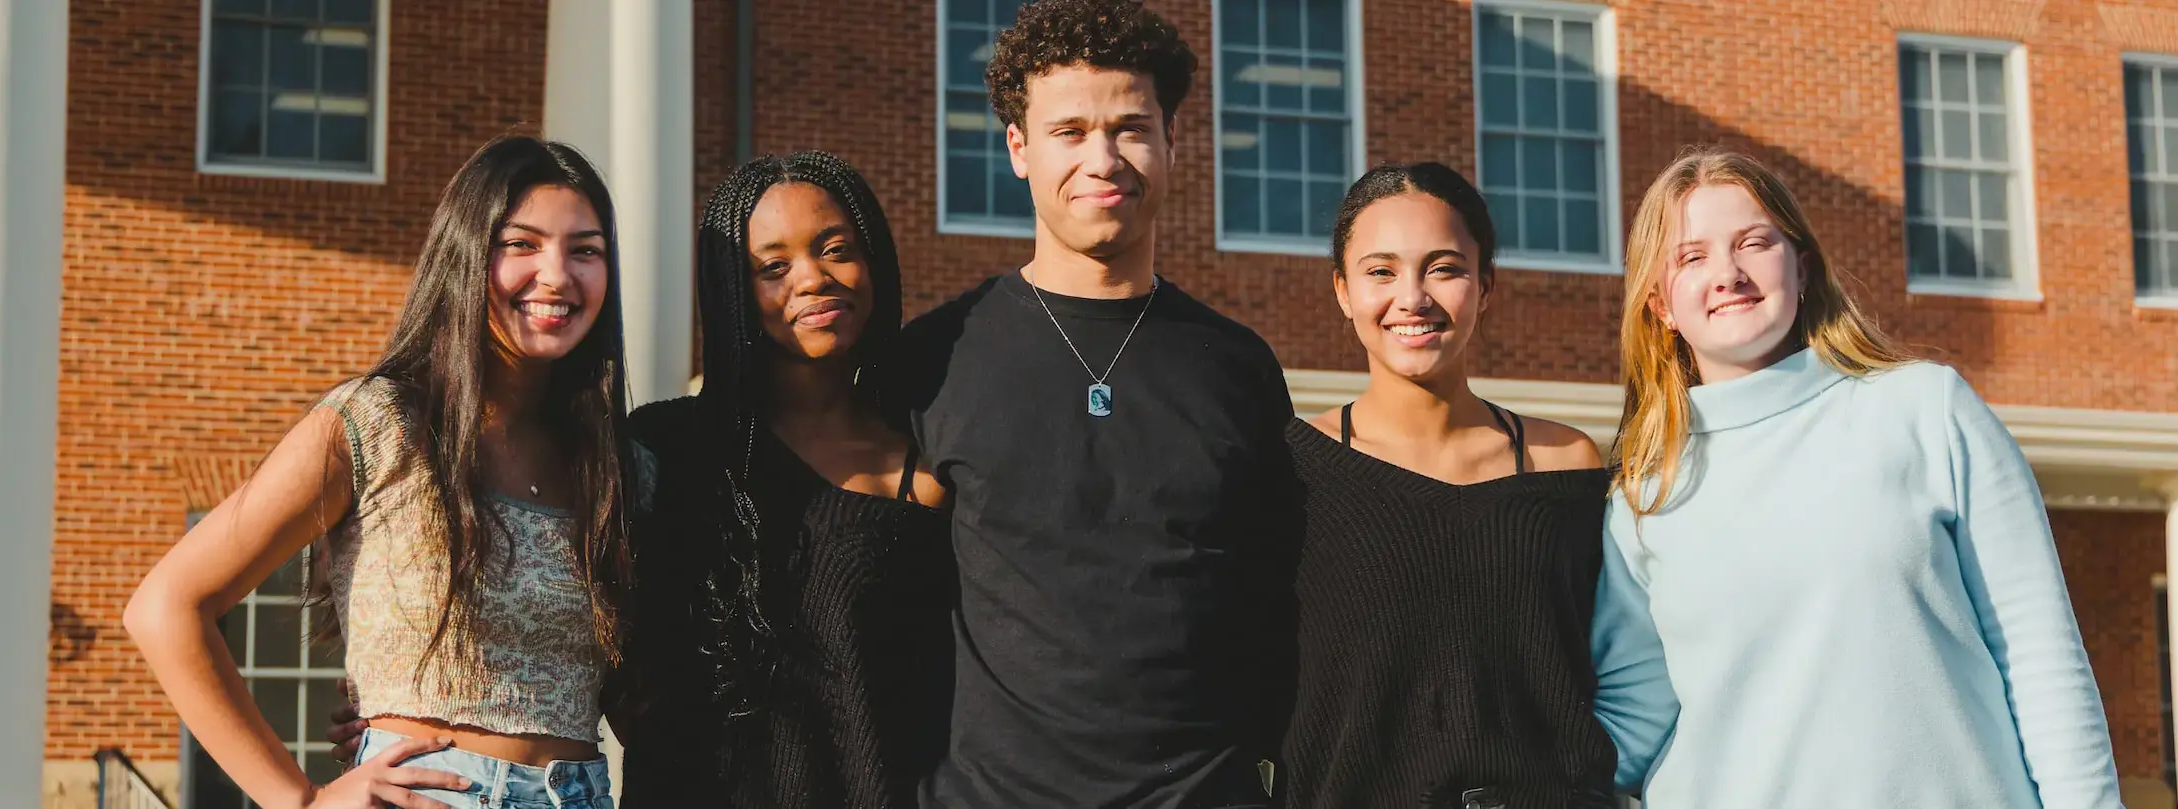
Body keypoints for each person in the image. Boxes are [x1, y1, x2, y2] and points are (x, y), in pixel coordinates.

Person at [1590, 149, 2121, 808]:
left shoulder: (1926, 409)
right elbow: (1633, 723)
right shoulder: (1643, 497)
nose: (1728, 273)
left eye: (1754, 243)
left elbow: (2040, 655)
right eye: (1692, 257)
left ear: (1802, 266)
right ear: (1660, 304)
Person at [126, 136, 639, 809]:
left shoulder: (618, 464)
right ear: (466, 254)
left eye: (585, 250)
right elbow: (165, 606)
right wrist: (301, 799)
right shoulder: (376, 423)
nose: (556, 274)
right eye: (522, 244)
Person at [899, 0, 1297, 805]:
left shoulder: (1237, 367)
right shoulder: (936, 358)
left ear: (1172, 142)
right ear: (1018, 148)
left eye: (1131, 127)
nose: (1103, 157)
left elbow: (1276, 606)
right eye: (1070, 131)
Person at [1278, 162, 1623, 809]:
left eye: (1444, 268)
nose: (1413, 297)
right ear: (1342, 290)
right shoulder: (1292, 472)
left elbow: (1618, 667)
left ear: (1485, 285)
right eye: (1381, 271)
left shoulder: (1566, 464)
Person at [616, 151, 954, 808]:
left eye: (835, 249)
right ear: (733, 290)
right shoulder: (668, 448)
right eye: (773, 267)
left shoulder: (932, 473)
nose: (813, 278)